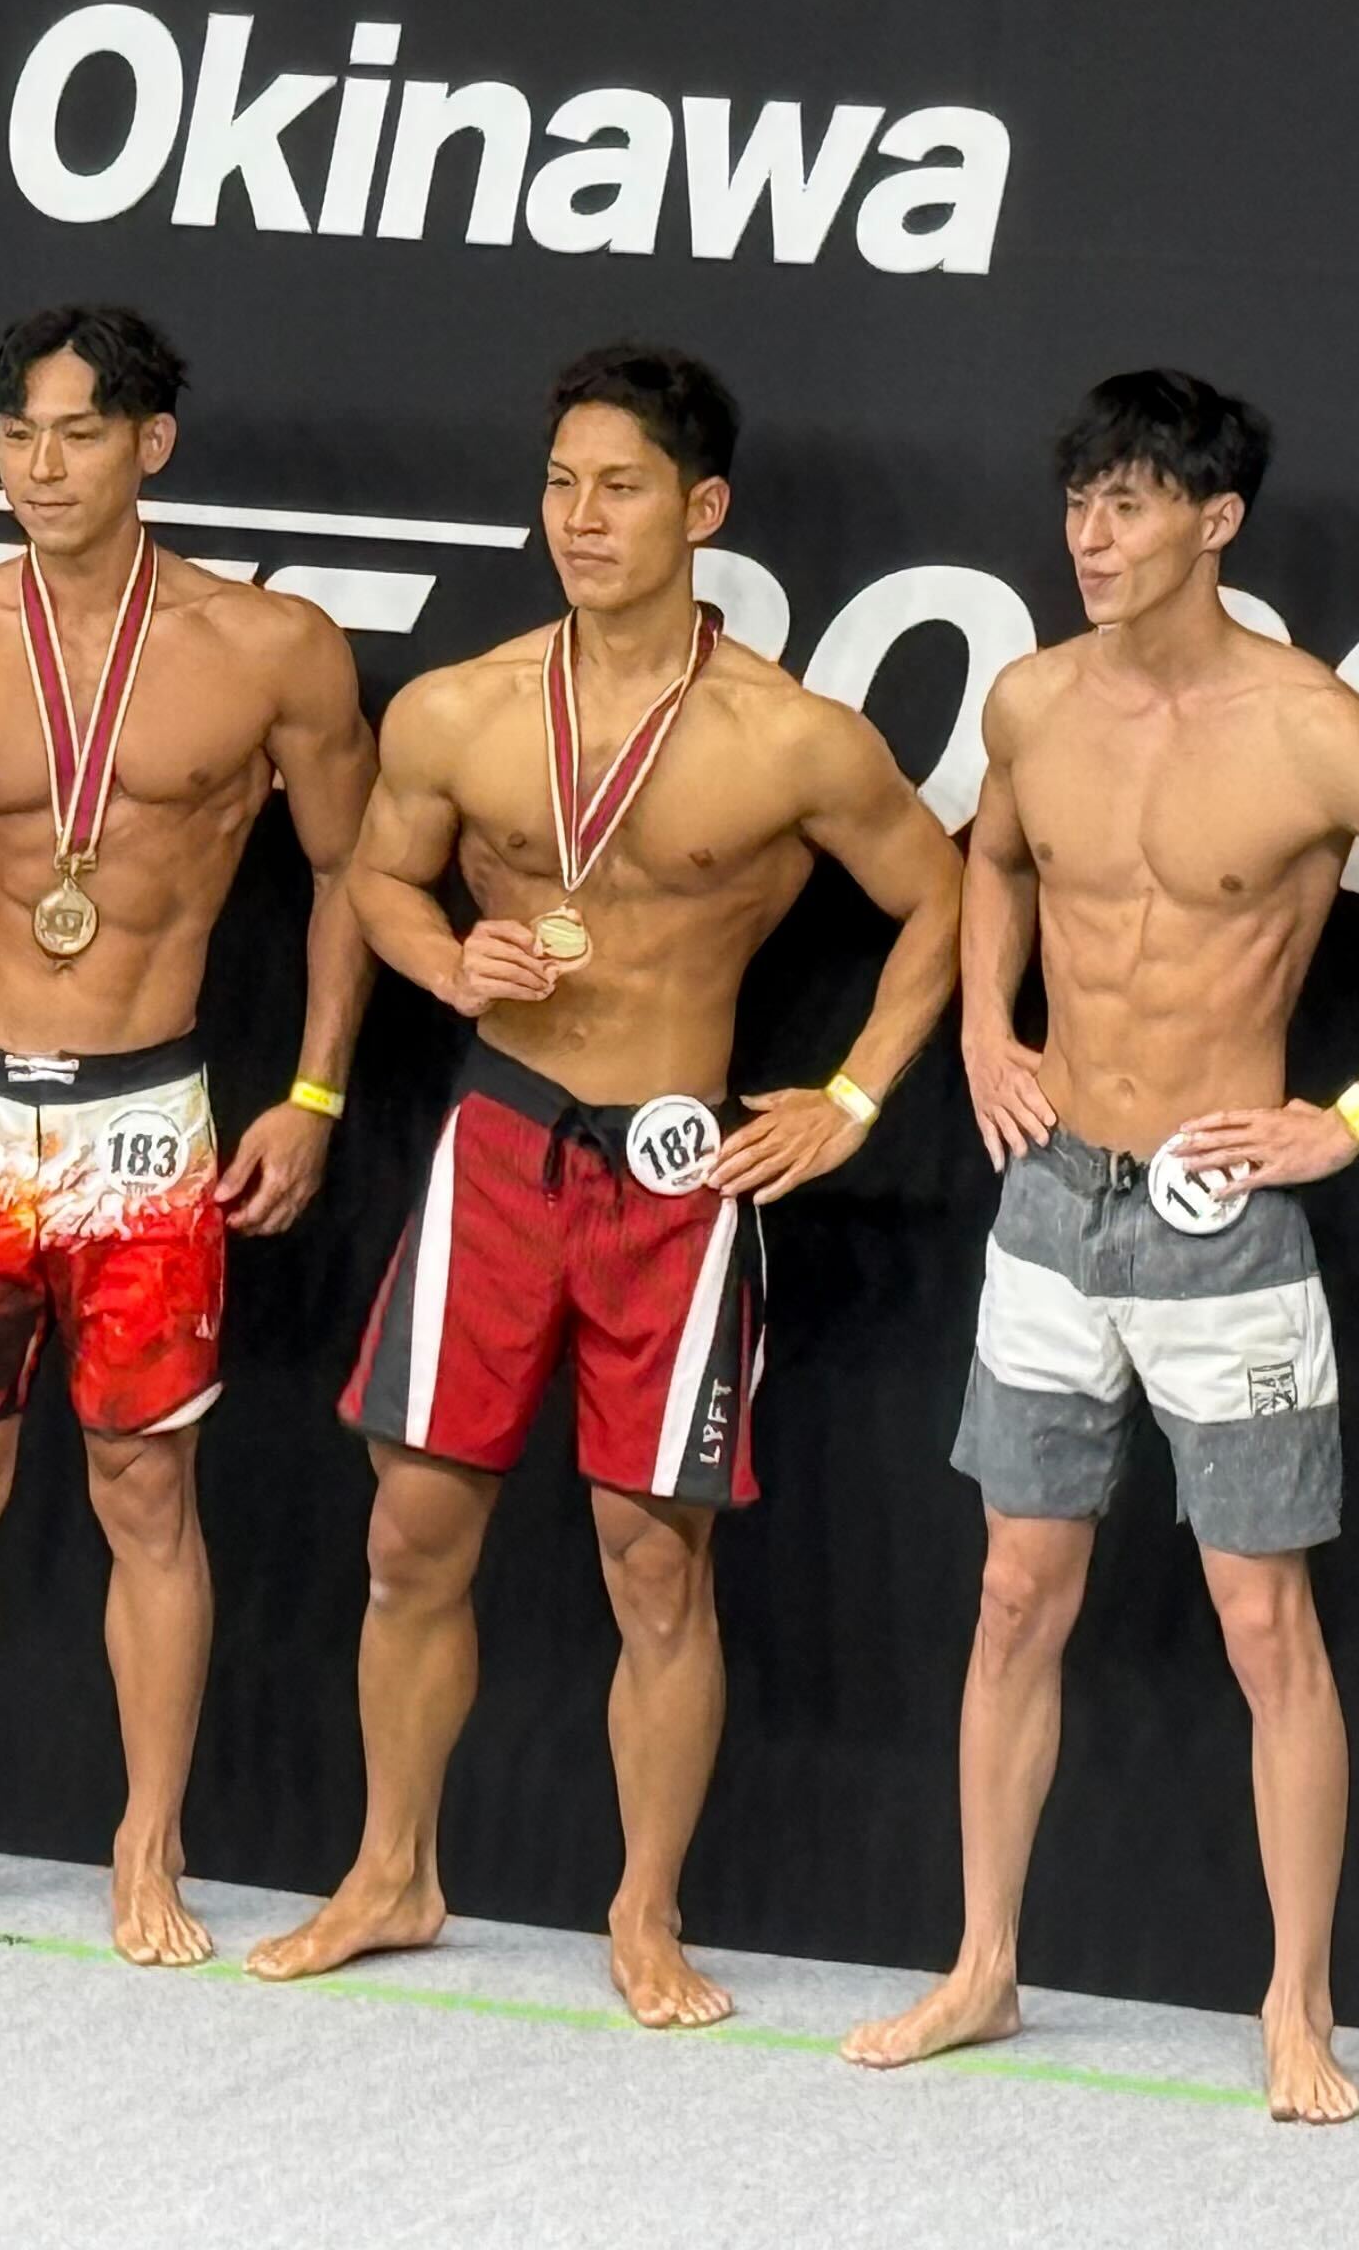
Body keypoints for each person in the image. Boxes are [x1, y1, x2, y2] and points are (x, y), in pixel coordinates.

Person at [842, 370, 1359, 2122]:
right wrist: (986, 1030)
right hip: (1049, 1203)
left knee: (1261, 1621)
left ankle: (1298, 2005)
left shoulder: (1312, 727)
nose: (1092, 537)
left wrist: (1347, 1120)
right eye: (1080, 502)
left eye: (1132, 504)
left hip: (1220, 1225)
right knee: (1015, 1592)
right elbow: (997, 863)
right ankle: (984, 1966)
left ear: (1214, 521)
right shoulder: (1030, 697)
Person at [250, 344, 961, 2026]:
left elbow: (945, 902)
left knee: (653, 1562)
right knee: (411, 1535)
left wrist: (854, 1096)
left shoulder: (794, 737)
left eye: (620, 487)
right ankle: (393, 1872)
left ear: (702, 510)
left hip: (674, 1170)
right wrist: (448, 958)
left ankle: (646, 1912)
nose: (580, 517)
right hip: (501, 1142)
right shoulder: (462, 709)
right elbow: (376, 878)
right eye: (562, 484)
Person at [0, 305, 376, 1965]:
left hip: (147, 1127)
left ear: (152, 443)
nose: (42, 469)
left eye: (76, 434)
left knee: (148, 1490)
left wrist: (316, 1092)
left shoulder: (271, 647)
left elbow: (353, 875)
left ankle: (150, 1844)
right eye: (17, 437)